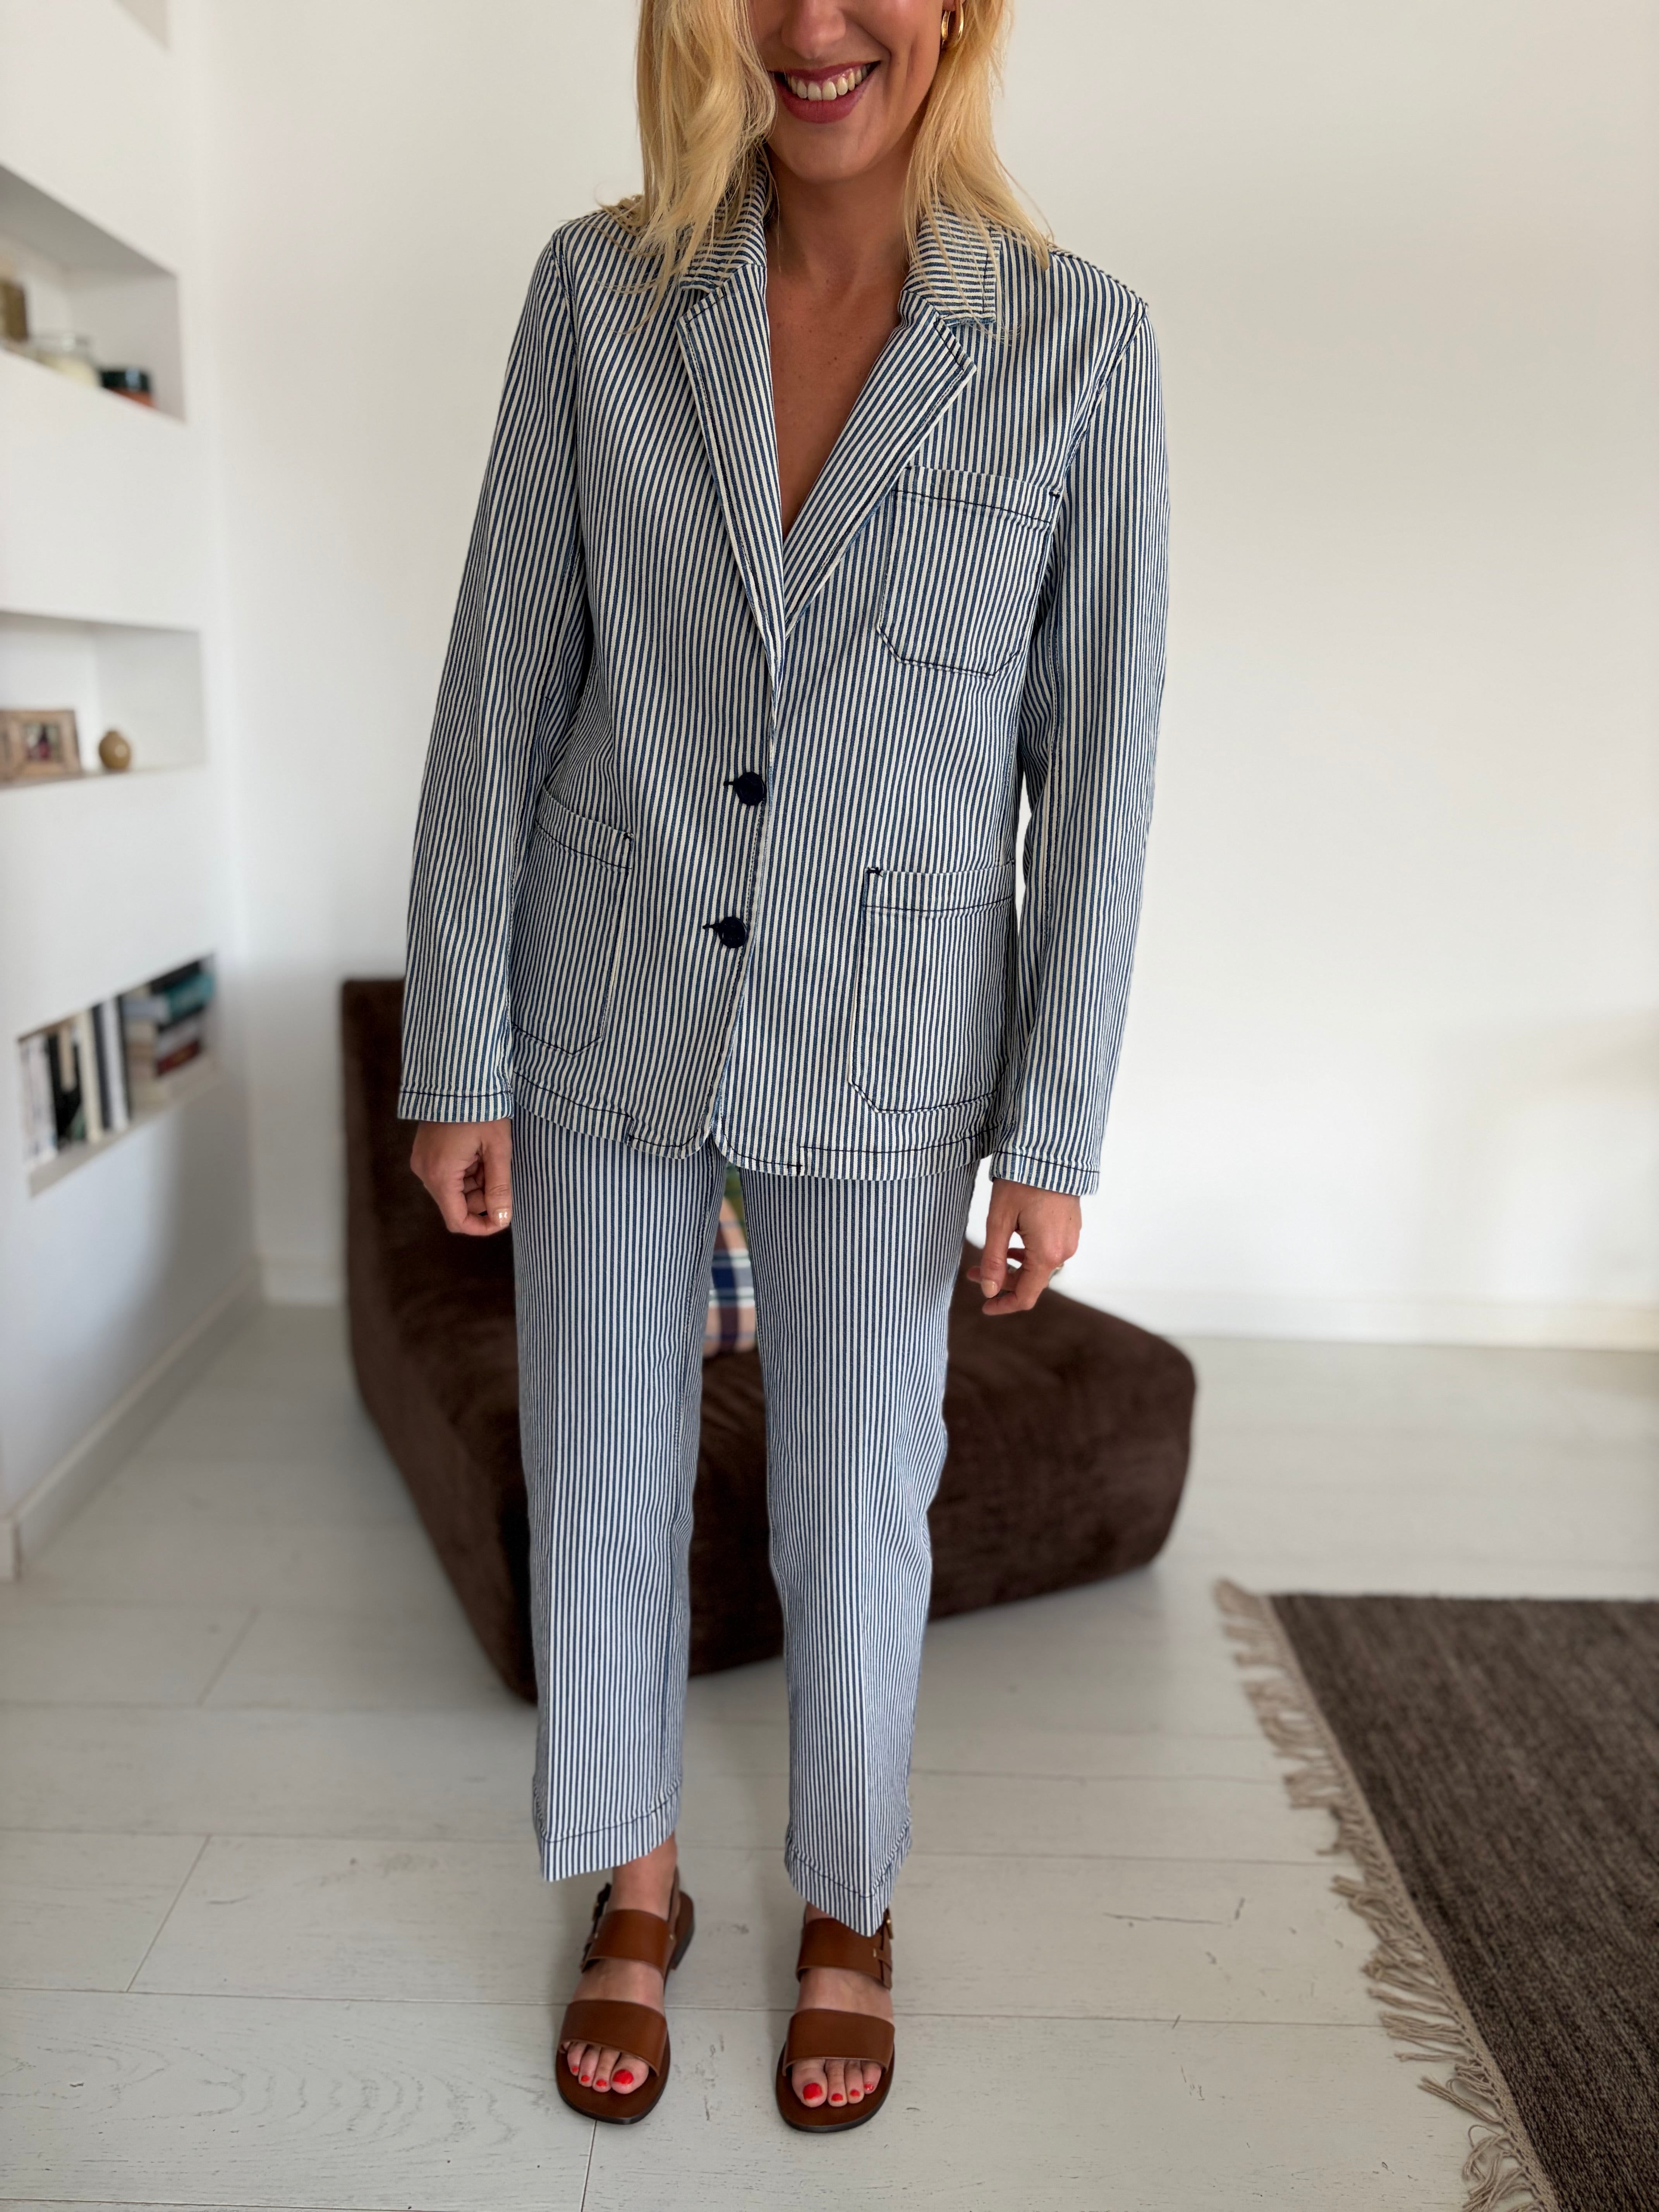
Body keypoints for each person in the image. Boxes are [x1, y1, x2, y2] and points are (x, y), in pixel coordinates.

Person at [400, 0, 1168, 2136]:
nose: (815, 27)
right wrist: (456, 1046)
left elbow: (1097, 777)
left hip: (894, 1035)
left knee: (857, 1497)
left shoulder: (1078, 346)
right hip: (601, 992)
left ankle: (852, 1897)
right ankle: (631, 1874)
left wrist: (1054, 1125)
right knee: (601, 1466)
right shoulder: (600, 294)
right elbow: (499, 688)